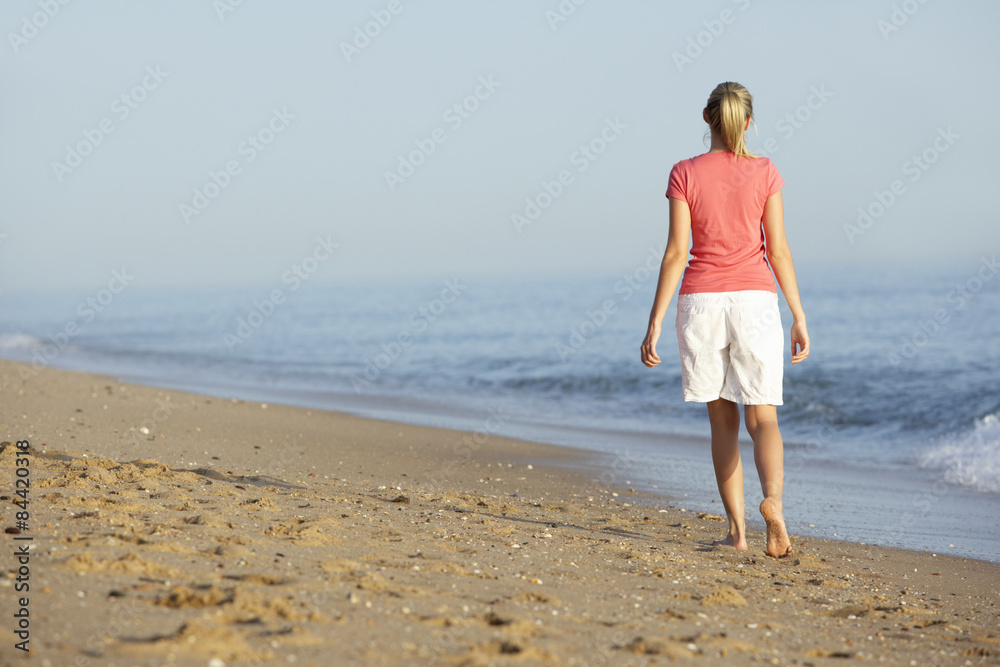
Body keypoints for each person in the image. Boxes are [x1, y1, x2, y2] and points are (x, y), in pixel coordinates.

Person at [640, 81, 810, 558]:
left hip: (702, 303)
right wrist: (798, 314)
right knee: (764, 418)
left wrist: (654, 320)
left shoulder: (684, 173)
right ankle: (772, 504)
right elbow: (777, 248)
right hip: (755, 300)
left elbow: (676, 252)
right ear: (748, 121)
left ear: (705, 117)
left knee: (723, 421)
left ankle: (736, 534)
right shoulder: (765, 171)